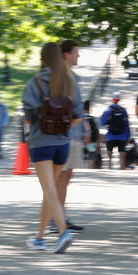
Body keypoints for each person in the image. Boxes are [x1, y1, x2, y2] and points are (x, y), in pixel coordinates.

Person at [22, 42, 82, 253]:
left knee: (49, 191)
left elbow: (28, 117)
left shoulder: (35, 82)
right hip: (62, 144)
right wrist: (63, 129)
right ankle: (39, 238)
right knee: (50, 192)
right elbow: (77, 116)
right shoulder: (69, 80)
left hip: (41, 144)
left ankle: (64, 232)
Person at [47, 39, 88, 234]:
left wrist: (84, 128)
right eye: (76, 52)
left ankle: (60, 215)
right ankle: (55, 218)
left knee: (66, 175)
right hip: (62, 133)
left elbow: (79, 107)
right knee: (60, 175)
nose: (78, 55)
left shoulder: (74, 77)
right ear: (66, 54)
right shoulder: (59, 77)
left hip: (73, 133)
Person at [100, 91, 131, 170]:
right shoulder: (123, 110)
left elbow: (102, 121)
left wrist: (109, 121)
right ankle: (122, 170)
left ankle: (110, 169)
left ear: (112, 99)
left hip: (110, 136)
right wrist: (127, 137)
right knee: (122, 158)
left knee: (109, 158)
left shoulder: (108, 109)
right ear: (119, 99)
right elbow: (127, 125)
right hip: (122, 136)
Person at [83, 100, 102, 169]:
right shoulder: (94, 119)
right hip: (92, 144)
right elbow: (98, 133)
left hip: (81, 144)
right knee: (91, 164)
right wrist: (98, 144)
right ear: (89, 109)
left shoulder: (79, 119)